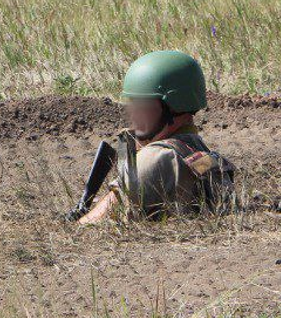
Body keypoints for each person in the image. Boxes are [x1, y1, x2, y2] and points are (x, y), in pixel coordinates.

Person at [76, 50, 235, 223]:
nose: (133, 112)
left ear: (173, 106)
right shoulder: (199, 153)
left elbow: (91, 225)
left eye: (142, 104)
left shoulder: (155, 158)